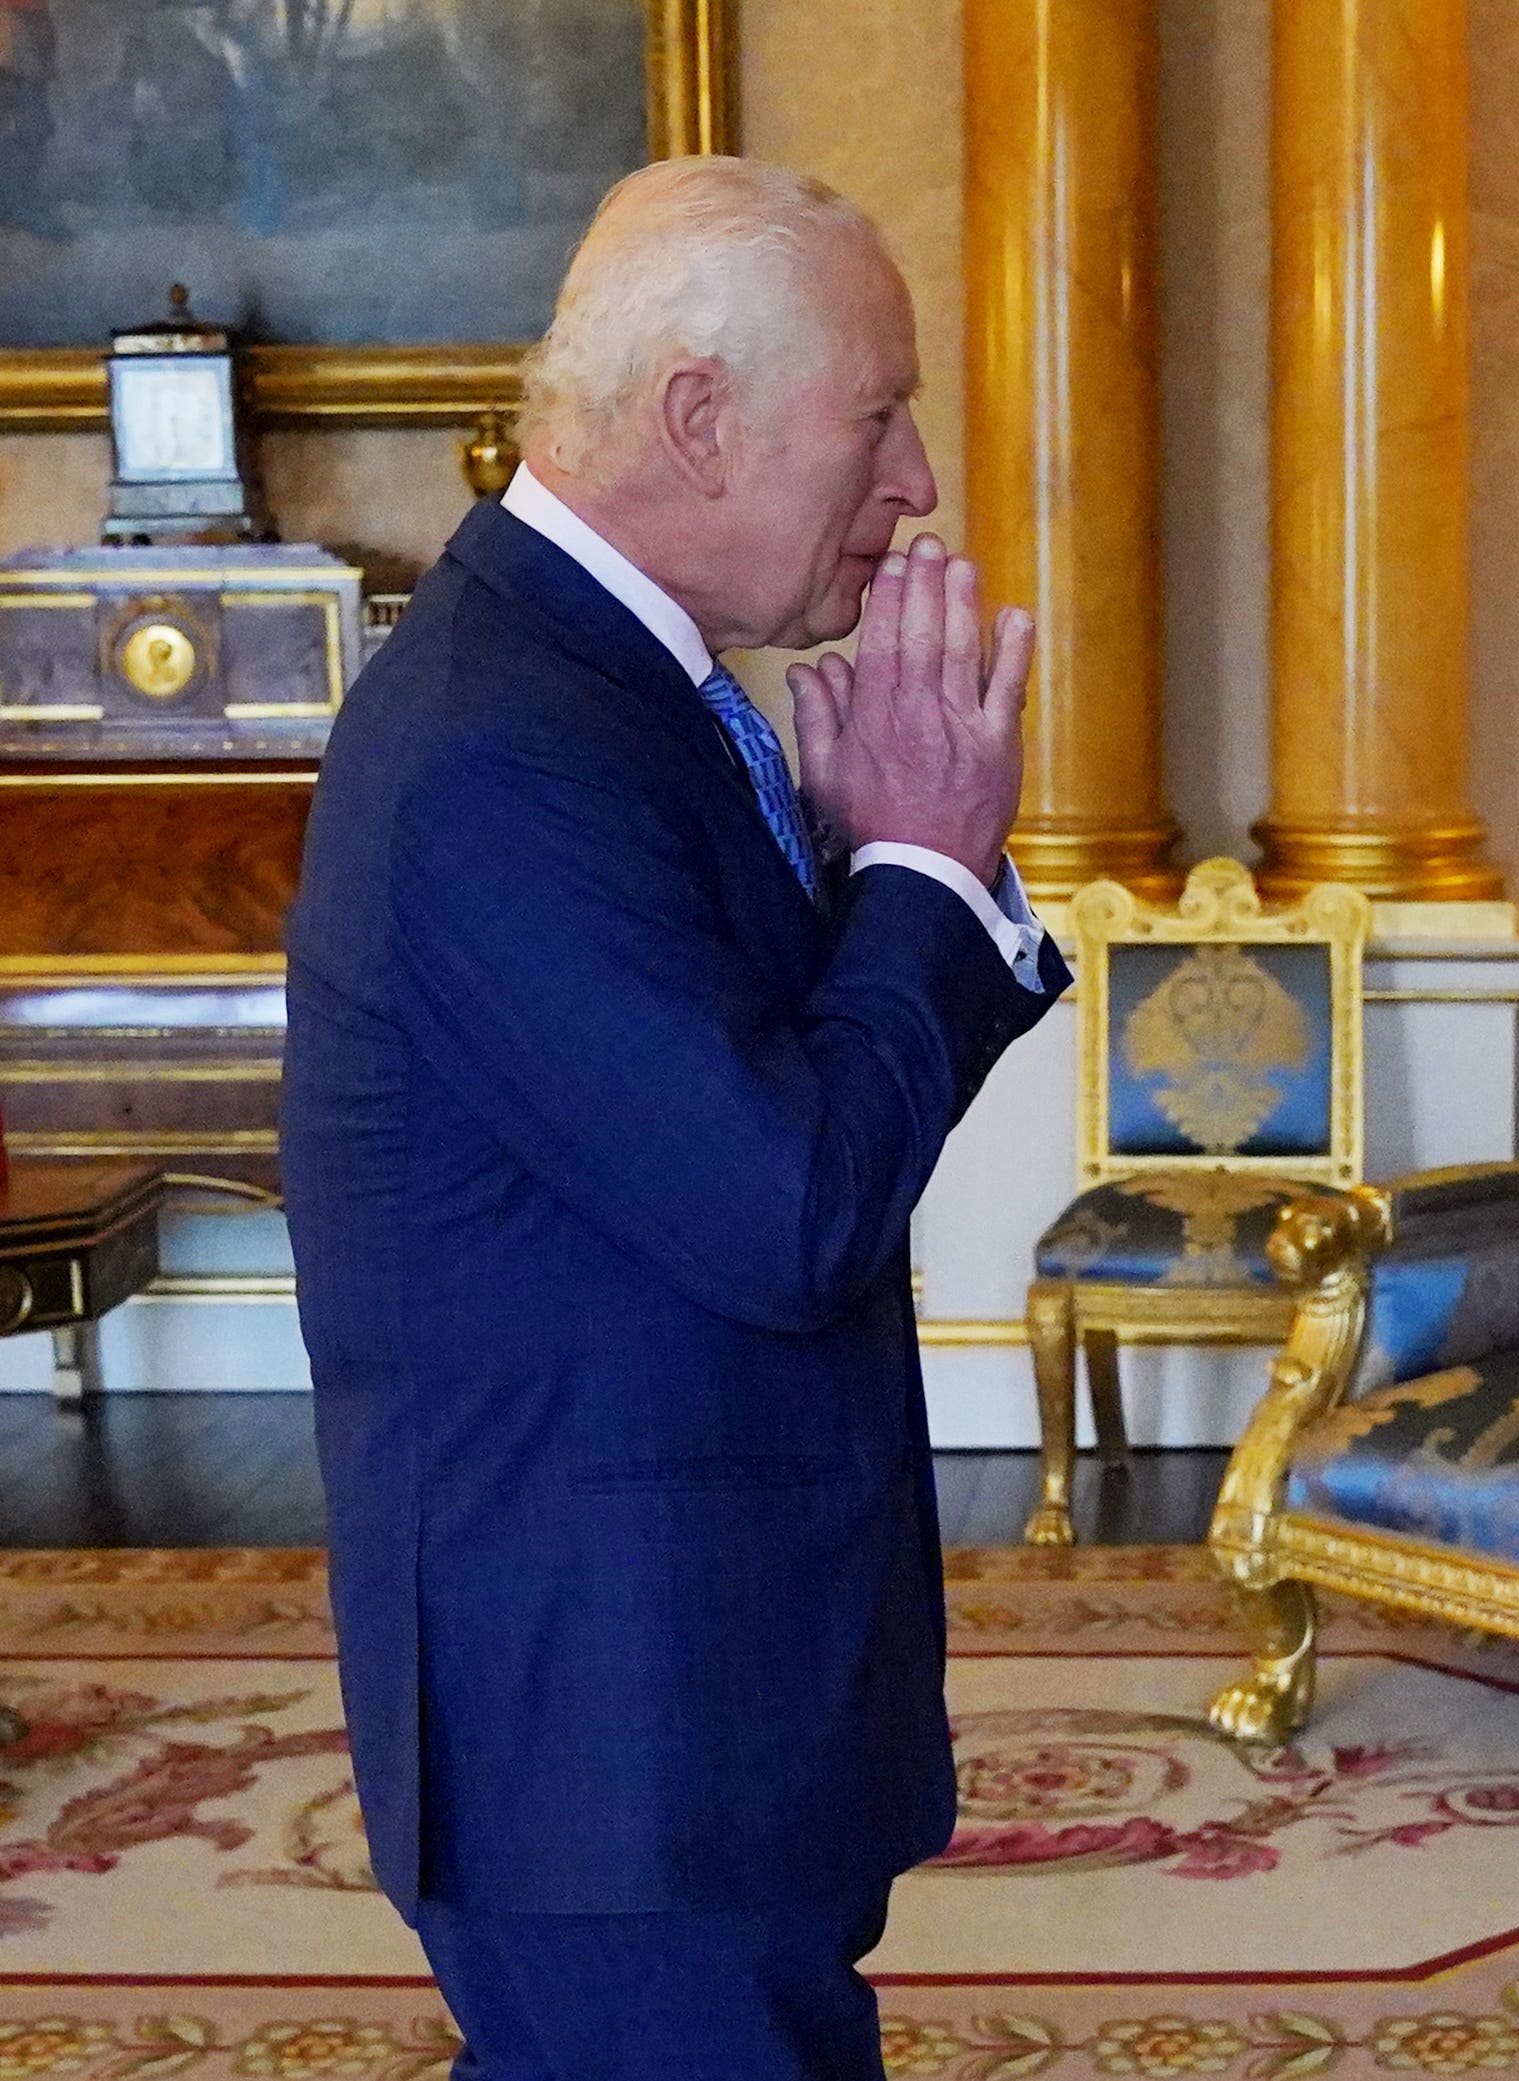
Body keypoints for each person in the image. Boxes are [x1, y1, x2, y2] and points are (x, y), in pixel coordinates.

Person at [281, 157, 1066, 2079]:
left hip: (681, 1693)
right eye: (878, 415)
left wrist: (855, 871)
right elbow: (791, 1208)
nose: (919, 485)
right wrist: (913, 872)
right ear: (700, 416)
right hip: (611, 1728)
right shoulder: (504, 743)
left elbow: (748, 1125)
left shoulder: (616, 685)